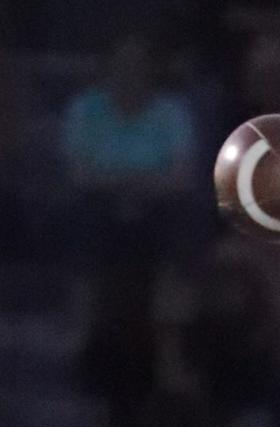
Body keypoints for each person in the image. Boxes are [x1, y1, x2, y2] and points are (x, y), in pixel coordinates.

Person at [61, 32, 199, 287]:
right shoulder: (84, 109)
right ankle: (83, 320)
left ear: (151, 68)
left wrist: (134, 189)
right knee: (81, 220)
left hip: (160, 205)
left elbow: (182, 176)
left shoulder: (172, 111)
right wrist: (127, 188)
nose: (130, 71)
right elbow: (78, 174)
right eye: (122, 63)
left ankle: (167, 320)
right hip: (98, 203)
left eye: (138, 64)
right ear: (108, 66)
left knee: (182, 223)